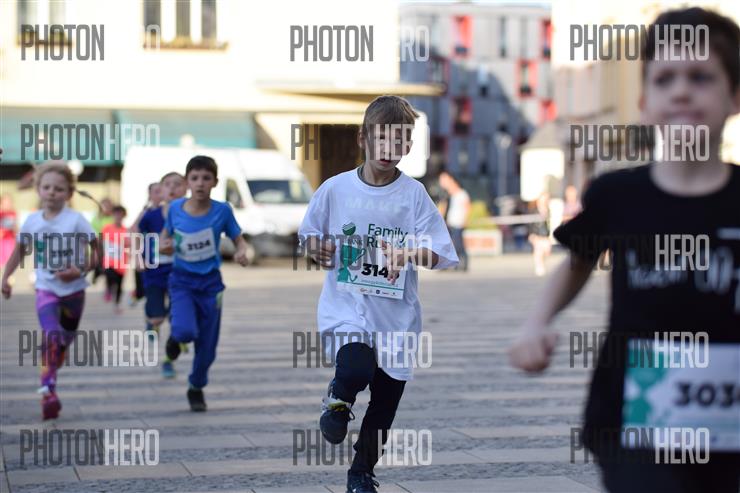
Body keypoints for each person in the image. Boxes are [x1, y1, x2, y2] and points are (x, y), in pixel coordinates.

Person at [509, 8, 740, 492]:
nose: (681, 91)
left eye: (700, 77)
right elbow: (578, 261)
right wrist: (537, 322)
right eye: (665, 79)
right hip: (634, 421)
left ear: (734, 96)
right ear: (644, 103)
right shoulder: (617, 195)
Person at [299, 95, 458, 493]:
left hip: (396, 316)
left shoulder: (413, 195)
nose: (389, 149)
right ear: (363, 138)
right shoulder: (336, 189)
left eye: (399, 141)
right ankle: (338, 398)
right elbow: (309, 234)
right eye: (381, 139)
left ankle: (361, 473)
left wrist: (409, 253)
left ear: (409, 145)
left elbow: (440, 253)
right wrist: (316, 248)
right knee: (355, 368)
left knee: (385, 402)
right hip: (347, 307)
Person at [1, 164, 98, 420]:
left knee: (63, 339)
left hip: (75, 291)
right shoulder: (32, 221)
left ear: (69, 193)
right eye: (46, 187)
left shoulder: (76, 220)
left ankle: (60, 351)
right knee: (51, 335)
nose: (52, 192)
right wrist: (6, 277)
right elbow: (19, 252)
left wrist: (79, 270)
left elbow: (97, 253)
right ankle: (49, 392)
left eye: (59, 188)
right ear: (38, 190)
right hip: (46, 289)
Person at [159, 156, 249, 411]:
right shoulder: (175, 209)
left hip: (211, 286)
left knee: (207, 348)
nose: (200, 183)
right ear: (187, 182)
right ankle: (175, 339)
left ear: (215, 182)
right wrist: (164, 246)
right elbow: (165, 237)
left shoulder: (223, 211)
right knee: (185, 331)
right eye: (195, 178)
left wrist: (242, 251)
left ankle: (196, 387)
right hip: (182, 282)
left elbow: (238, 239)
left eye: (206, 178)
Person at [138, 172, 187, 377]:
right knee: (158, 317)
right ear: (161, 191)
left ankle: (168, 360)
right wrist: (138, 258)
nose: (172, 188)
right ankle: (153, 321)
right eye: (167, 185)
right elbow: (137, 234)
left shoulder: (189, 215)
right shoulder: (151, 216)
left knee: (178, 322)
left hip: (180, 273)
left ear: (186, 189)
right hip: (154, 272)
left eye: (178, 184)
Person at [129, 183, 163, 307]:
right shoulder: (145, 213)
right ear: (150, 195)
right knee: (152, 297)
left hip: (169, 261)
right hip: (150, 261)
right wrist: (138, 257)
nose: (160, 195)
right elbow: (134, 232)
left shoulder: (172, 211)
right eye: (156, 192)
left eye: (161, 191)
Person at [438, 171, 471, 271]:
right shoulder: (448, 195)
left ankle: (463, 264)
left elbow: (468, 207)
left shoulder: (462, 194)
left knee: (458, 245)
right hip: (450, 223)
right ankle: (451, 265)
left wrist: (466, 220)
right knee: (450, 245)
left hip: (458, 223)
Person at [101, 206, 129, 314]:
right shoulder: (107, 228)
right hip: (109, 261)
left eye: (120, 214)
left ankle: (117, 304)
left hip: (121, 262)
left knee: (119, 284)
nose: (118, 217)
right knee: (110, 276)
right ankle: (108, 289)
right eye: (116, 214)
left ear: (123, 216)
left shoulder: (126, 230)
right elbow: (101, 242)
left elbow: (129, 245)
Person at [528, 192, 552, 276]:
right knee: (538, 251)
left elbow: (548, 225)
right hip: (537, 235)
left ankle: (541, 263)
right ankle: (539, 266)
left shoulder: (548, 210)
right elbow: (530, 224)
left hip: (545, 235)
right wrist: (531, 234)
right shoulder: (534, 210)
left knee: (547, 251)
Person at [0, 193, 18, 268]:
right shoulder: (1, 213)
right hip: (2, 240)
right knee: (2, 257)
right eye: (5, 203)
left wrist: (16, 231)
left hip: (10, 239)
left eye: (9, 203)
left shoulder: (13, 213)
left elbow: (15, 226)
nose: (7, 205)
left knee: (10, 256)